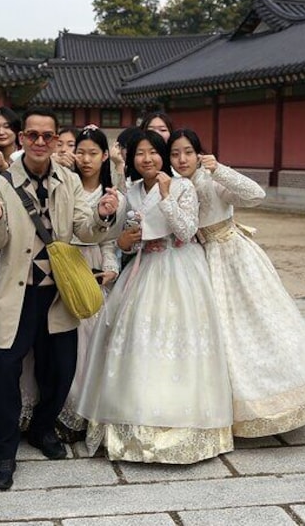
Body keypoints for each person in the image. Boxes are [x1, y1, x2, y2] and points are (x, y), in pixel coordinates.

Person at [0, 107, 122, 490]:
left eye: (48, 136)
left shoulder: (69, 180)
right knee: (7, 371)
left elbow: (83, 230)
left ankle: (42, 429)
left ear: (57, 140)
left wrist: (103, 216)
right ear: (22, 138)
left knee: (60, 370)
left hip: (58, 292)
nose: (40, 142)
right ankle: (4, 454)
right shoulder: (2, 184)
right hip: (18, 292)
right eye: (32, 135)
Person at [77, 129, 234, 465]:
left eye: (153, 152)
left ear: (163, 154)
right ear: (131, 158)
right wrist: (122, 238)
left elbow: (187, 231)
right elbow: (123, 237)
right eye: (140, 153)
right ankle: (131, 425)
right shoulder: (129, 191)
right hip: (145, 268)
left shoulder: (182, 186)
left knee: (180, 342)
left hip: (181, 268)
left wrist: (166, 196)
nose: (147, 159)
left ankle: (184, 427)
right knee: (137, 341)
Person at [169, 128, 305, 437]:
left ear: (198, 153)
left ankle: (278, 397)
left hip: (233, 255)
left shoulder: (212, 180)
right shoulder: (173, 185)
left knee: (255, 325)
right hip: (198, 258)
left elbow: (255, 194)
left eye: (188, 152)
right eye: (175, 153)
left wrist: (219, 169)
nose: (182, 159)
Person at [55, 125, 119, 442]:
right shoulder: (65, 185)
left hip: (93, 265)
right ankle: (65, 409)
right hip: (65, 264)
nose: (86, 159)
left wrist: (110, 267)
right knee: (67, 341)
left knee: (93, 342)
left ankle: (88, 410)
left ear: (104, 156)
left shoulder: (110, 193)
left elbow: (111, 241)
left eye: (93, 153)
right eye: (81, 152)